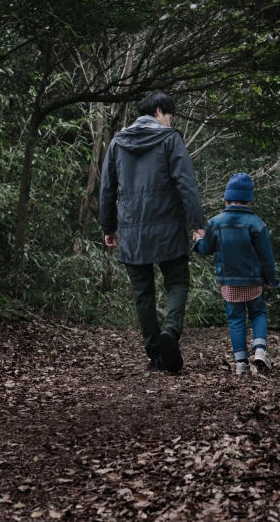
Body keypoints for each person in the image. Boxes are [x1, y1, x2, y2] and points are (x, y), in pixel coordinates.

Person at [99, 92, 205, 373]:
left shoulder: (117, 142)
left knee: (142, 292)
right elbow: (186, 184)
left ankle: (155, 355)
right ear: (159, 110)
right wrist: (197, 224)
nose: (170, 121)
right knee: (177, 282)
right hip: (169, 226)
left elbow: (107, 188)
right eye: (169, 115)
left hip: (132, 230)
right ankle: (170, 330)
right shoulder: (169, 139)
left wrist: (109, 227)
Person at [193, 173, 280, 375]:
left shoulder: (216, 222)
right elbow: (267, 257)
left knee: (236, 318)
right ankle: (259, 349)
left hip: (229, 281)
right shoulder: (257, 224)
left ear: (226, 198)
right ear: (249, 199)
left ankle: (241, 362)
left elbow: (206, 249)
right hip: (253, 280)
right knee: (258, 312)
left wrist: (197, 242)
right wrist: (271, 280)